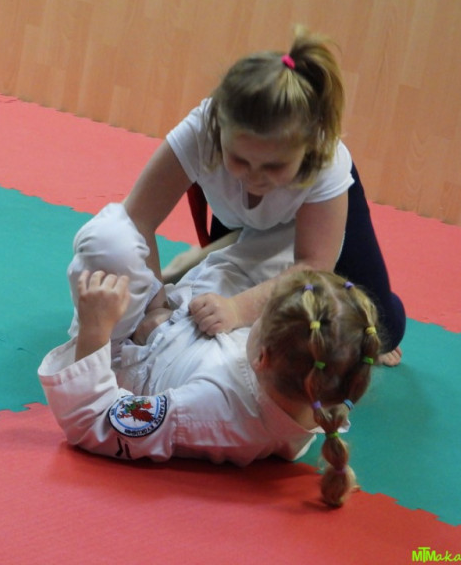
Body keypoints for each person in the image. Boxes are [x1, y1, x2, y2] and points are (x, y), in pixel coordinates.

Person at [38, 204, 382, 507]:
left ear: (261, 357)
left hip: (130, 338)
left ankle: (174, 273)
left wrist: (95, 329)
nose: (254, 315)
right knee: (299, 225)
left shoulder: (206, 407)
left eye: (260, 318)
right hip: (196, 321)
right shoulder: (319, 390)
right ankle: (185, 269)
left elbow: (93, 420)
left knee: (109, 236)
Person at [122, 26, 405, 365]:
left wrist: (238, 309)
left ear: (305, 151)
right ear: (219, 132)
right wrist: (155, 307)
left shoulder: (326, 159)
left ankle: (213, 253)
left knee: (382, 331)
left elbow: (313, 266)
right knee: (209, 309)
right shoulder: (201, 131)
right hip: (237, 217)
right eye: (240, 161)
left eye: (274, 166)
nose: (255, 177)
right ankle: (202, 257)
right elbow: (136, 219)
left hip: (313, 214)